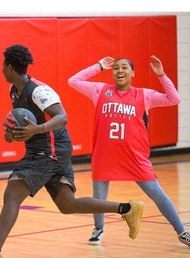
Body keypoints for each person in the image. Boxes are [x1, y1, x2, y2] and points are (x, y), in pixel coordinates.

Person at [0, 44, 144, 258]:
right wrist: (15, 134)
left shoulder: (39, 90)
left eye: (3, 65)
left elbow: (62, 117)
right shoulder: (14, 90)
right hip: (45, 148)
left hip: (50, 148)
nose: (1, 69)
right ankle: (127, 208)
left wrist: (36, 130)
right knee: (68, 204)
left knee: (12, 195)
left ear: (10, 67)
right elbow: (27, 123)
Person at [68, 55, 190, 248]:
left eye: (124, 67)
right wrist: (98, 66)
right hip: (105, 155)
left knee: (157, 194)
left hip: (134, 157)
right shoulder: (100, 91)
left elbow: (174, 99)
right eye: (116, 68)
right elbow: (73, 81)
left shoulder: (144, 95)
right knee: (99, 197)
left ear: (132, 73)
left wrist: (162, 76)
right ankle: (98, 228)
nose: (119, 71)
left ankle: (181, 232)